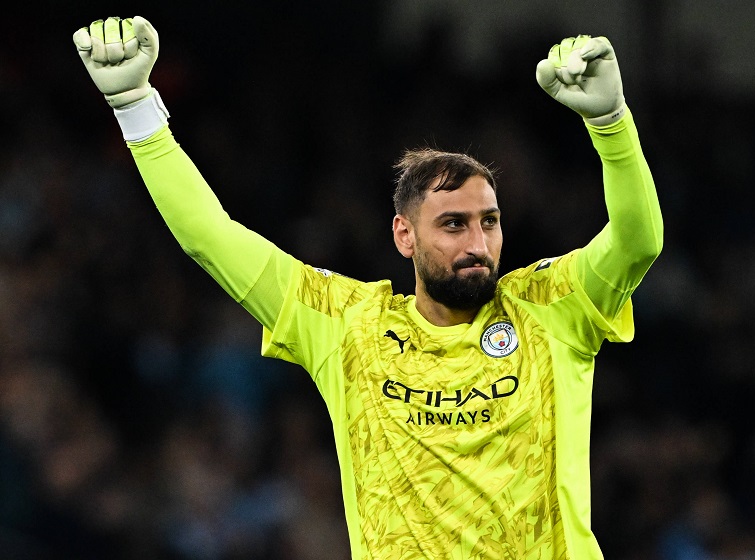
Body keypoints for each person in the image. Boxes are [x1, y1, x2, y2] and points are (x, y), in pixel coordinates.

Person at [73, 15, 663, 559]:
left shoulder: (550, 306)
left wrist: (610, 123)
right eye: (452, 225)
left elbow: (638, 241)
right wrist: (135, 107)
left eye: (489, 222)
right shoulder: (348, 325)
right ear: (405, 235)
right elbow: (211, 237)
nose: (477, 243)